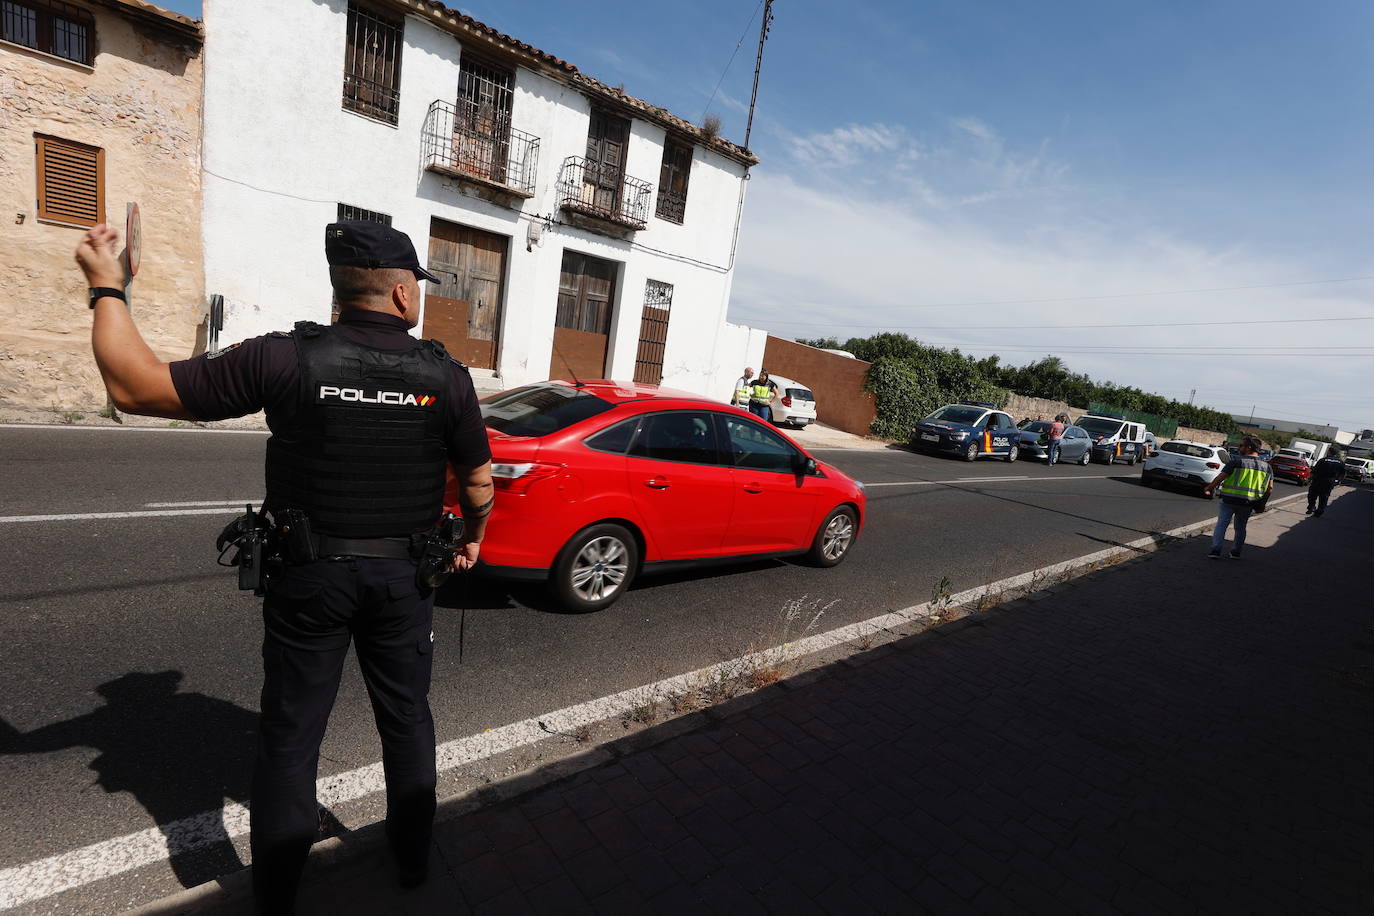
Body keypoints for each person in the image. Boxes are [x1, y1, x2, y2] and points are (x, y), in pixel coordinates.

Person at [75, 219, 495, 913]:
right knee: (406, 719)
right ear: (398, 293)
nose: (416, 296)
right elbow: (478, 485)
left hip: (309, 579)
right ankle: (414, 863)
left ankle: (275, 893)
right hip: (403, 582)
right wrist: (473, 536)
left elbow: (137, 388)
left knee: (292, 735)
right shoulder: (446, 376)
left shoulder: (282, 358)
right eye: (415, 286)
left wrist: (107, 287)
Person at [1201, 435, 1273, 559]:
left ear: (1248, 447)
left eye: (1241, 445)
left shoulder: (1236, 462)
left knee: (1222, 525)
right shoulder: (1267, 467)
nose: (1239, 448)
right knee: (1240, 528)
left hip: (1229, 500)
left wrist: (1209, 487)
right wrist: (1262, 505)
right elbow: (1269, 488)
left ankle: (1215, 550)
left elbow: (1220, 478)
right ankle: (1235, 552)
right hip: (1249, 503)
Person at [1307, 447, 1345, 517]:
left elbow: (1314, 471)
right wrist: (1338, 481)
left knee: (1312, 494)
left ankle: (1312, 507)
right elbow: (1342, 474)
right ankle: (1320, 511)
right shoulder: (1340, 462)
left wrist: (1309, 479)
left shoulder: (1323, 460)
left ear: (1329, 452)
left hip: (1318, 480)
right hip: (1330, 481)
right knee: (1324, 496)